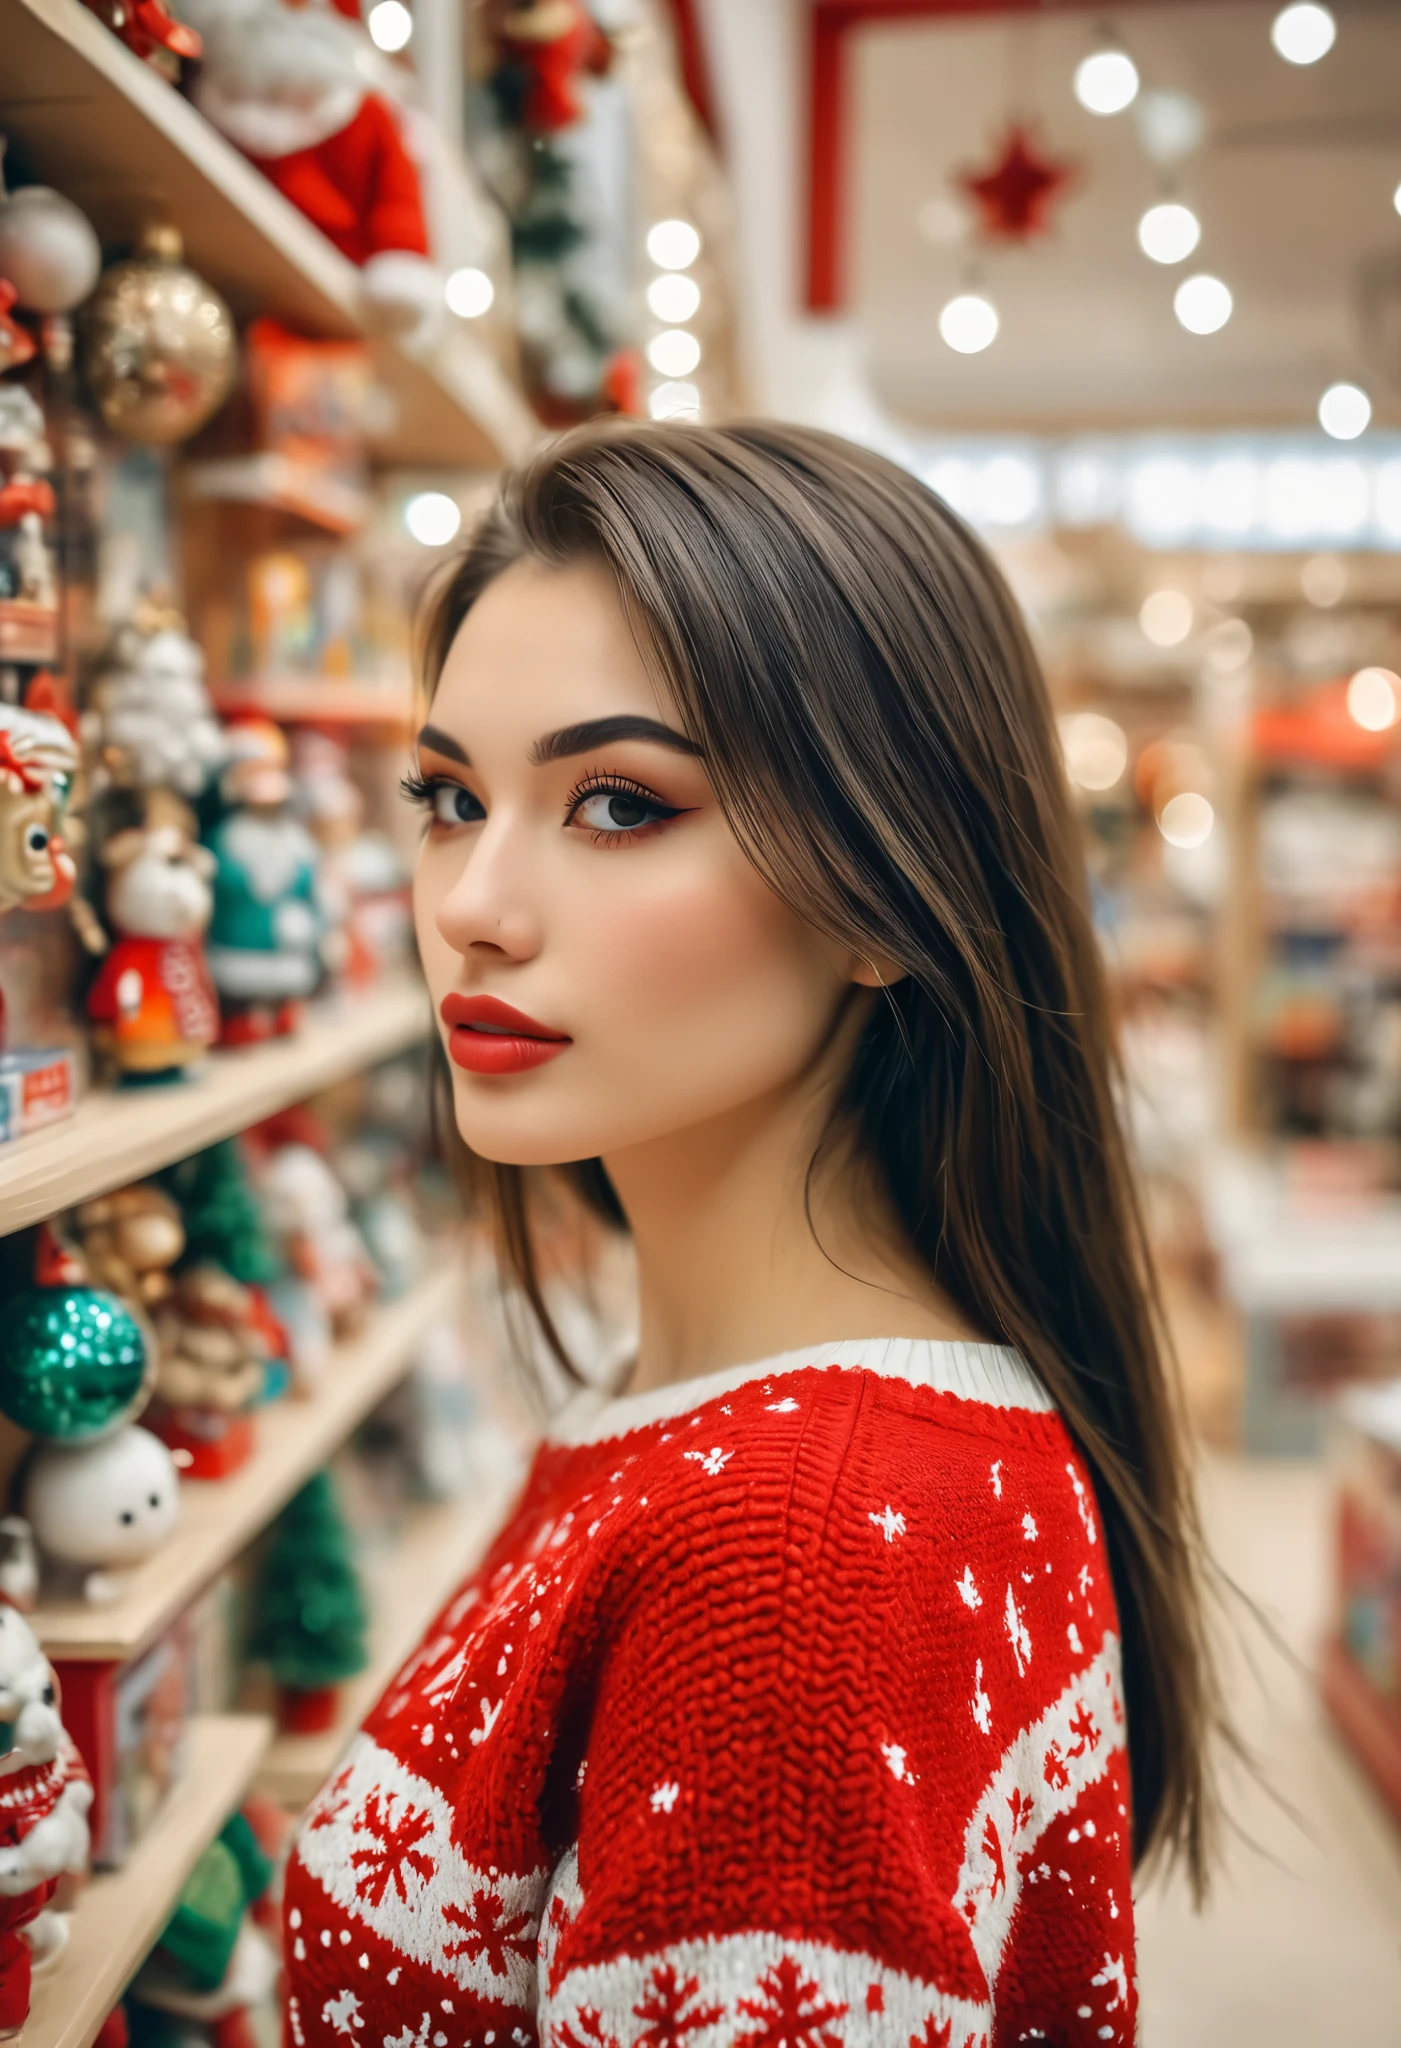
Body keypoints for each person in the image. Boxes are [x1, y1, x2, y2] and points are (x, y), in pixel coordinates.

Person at [282, 422, 1215, 2048]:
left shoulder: (799, 1563)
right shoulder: (764, 1429)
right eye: (447, 796)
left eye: (620, 804)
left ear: (879, 889)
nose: (471, 902)